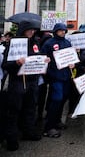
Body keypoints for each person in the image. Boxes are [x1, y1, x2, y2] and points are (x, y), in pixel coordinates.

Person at [2, 21, 50, 151]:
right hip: (17, 82)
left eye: (34, 30)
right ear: (23, 29)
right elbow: (5, 65)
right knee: (14, 110)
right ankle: (11, 138)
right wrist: (17, 62)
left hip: (32, 81)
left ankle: (28, 131)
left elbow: (37, 56)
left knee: (30, 108)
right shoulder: (13, 43)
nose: (32, 32)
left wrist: (44, 59)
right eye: (30, 29)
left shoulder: (35, 43)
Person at [41, 23, 74, 138]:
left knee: (63, 98)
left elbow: (71, 56)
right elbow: (42, 57)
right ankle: (48, 127)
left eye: (64, 30)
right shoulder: (49, 43)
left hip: (66, 76)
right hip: (55, 76)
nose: (63, 32)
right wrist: (46, 62)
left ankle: (57, 120)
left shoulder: (67, 42)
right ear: (56, 31)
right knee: (57, 99)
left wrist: (72, 63)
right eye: (60, 30)